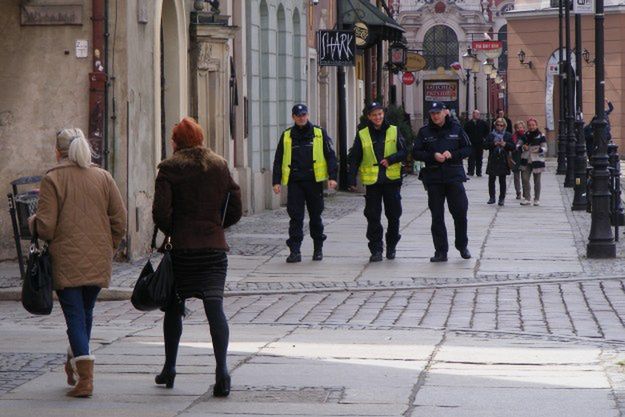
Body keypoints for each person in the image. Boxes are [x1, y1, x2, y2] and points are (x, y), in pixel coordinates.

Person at [29, 128, 126, 397]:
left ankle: (85, 379)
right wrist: (109, 246)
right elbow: (120, 220)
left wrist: (32, 221)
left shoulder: (54, 179)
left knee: (74, 317)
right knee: (84, 313)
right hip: (98, 259)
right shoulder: (103, 177)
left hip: (67, 259)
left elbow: (46, 228)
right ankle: (76, 361)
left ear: (58, 152)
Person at [153, 117, 242, 397]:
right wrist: (216, 226)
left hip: (183, 250)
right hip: (214, 249)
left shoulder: (169, 169)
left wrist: (176, 230)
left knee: (173, 307)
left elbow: (160, 213)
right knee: (214, 308)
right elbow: (236, 206)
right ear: (201, 139)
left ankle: (169, 369)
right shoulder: (219, 165)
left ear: (176, 142)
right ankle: (222, 371)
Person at [272, 104, 338, 263]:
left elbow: (330, 156)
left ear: (308, 115)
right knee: (295, 217)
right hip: (295, 182)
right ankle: (295, 251)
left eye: (304, 114)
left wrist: (332, 177)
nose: (301, 117)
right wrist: (276, 181)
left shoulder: (319, 133)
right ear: (293, 117)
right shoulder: (287, 135)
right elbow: (278, 159)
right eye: (298, 115)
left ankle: (318, 249)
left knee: (316, 216)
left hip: (313, 182)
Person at [413, 101, 472, 262]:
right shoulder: (424, 132)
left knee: (460, 213)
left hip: (454, 177)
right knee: (437, 216)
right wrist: (432, 156)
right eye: (432, 113)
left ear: (445, 112)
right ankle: (441, 251)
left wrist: (452, 154)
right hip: (434, 179)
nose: (435, 116)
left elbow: (468, 148)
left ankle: (462, 245)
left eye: (438, 113)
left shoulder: (456, 129)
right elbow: (416, 152)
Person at [348, 101, 407, 262]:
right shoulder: (363, 134)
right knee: (373, 216)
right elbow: (355, 157)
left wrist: (391, 159)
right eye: (374, 115)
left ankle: (392, 246)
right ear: (369, 117)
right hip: (372, 182)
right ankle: (376, 249)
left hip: (391, 180)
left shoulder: (394, 130)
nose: (378, 117)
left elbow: (404, 151)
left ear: (383, 114)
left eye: (380, 114)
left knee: (394, 216)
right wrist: (351, 178)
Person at [485, 118, 515, 206]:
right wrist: (493, 144)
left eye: (501, 125)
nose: (499, 127)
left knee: (502, 180)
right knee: (491, 179)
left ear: (504, 126)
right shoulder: (491, 135)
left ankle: (501, 198)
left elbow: (513, 147)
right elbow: (485, 145)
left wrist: (505, 144)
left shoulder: (508, 135)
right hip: (493, 159)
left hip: (503, 159)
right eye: (497, 125)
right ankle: (492, 197)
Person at [518, 117, 547, 206]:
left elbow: (545, 148)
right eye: (530, 125)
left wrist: (539, 150)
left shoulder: (541, 135)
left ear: (536, 125)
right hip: (526, 160)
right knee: (525, 179)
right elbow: (517, 145)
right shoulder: (524, 135)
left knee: (537, 181)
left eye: (533, 125)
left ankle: (537, 199)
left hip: (537, 160)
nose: (531, 127)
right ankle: (527, 198)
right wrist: (523, 147)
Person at [463, 109, 490, 177]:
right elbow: (464, 132)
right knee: (471, 157)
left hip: (480, 143)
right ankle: (470, 171)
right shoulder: (468, 123)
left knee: (479, 158)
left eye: (478, 114)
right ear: (473, 114)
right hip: (471, 143)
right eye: (476, 114)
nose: (478, 115)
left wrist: (484, 138)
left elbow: (487, 131)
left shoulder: (483, 123)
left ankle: (479, 172)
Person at [510, 120, 526, 199]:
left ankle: (525, 192)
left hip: (524, 158)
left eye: (521, 127)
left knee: (524, 177)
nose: (520, 129)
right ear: (515, 129)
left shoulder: (526, 136)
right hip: (515, 158)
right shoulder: (513, 137)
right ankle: (518, 192)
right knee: (516, 177)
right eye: (518, 128)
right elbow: (512, 147)